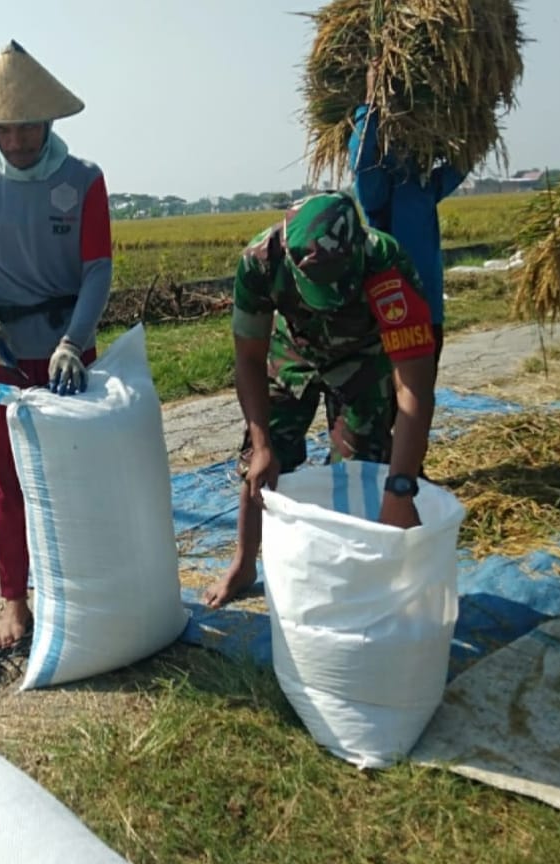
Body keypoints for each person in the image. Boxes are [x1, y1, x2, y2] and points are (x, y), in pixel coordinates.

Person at [0, 41, 113, 648]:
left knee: (77, 474)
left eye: (28, 128)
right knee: (8, 479)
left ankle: (86, 589)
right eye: (3, 129)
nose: (16, 141)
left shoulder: (83, 181)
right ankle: (15, 600)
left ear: (49, 121)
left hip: (69, 353)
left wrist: (73, 341)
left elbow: (97, 270)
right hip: (7, 357)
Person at [203, 192, 437, 609]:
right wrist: (260, 446)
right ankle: (243, 563)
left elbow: (413, 387)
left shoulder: (385, 263)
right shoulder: (260, 261)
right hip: (294, 349)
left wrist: (400, 487)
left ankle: (357, 575)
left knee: (361, 469)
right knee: (260, 464)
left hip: (363, 356)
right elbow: (249, 359)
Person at [348, 59, 465, 374]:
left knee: (420, 401)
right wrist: (370, 102)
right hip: (388, 314)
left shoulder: (424, 184)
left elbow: (463, 160)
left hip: (428, 314)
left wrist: (469, 104)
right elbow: (359, 159)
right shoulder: (377, 187)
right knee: (388, 407)